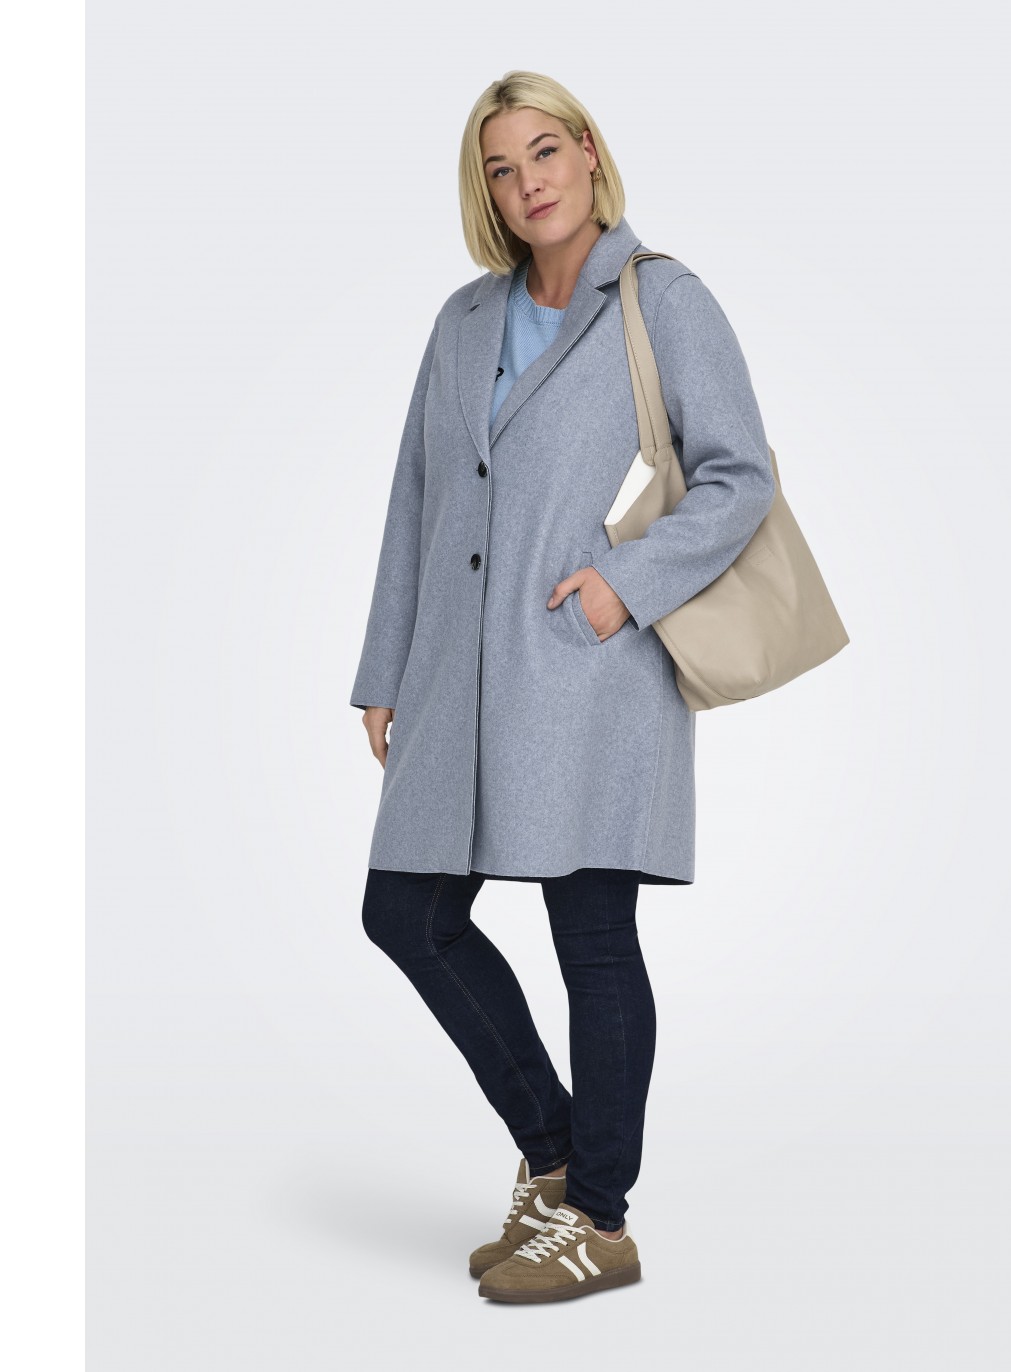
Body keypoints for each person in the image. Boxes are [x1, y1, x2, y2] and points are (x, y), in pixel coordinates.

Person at [352, 70, 776, 1303]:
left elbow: (740, 476)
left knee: (590, 934)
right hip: (456, 675)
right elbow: (416, 498)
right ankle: (552, 1155)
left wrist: (621, 586)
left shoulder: (662, 300)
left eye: (545, 150)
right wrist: (385, 667)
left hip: (590, 670)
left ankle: (599, 1218)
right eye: (501, 166)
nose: (527, 181)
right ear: (485, 190)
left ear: (589, 152)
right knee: (406, 912)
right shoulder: (462, 321)